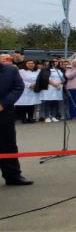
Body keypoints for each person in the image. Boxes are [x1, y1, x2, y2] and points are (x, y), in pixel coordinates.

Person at [0, 54, 32, 186]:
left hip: (4, 114)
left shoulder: (10, 70)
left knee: (8, 146)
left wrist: (3, 104)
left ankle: (13, 176)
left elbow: (18, 87)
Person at [14, 60, 40, 124]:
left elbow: (40, 79)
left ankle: (30, 118)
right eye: (29, 63)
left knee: (32, 104)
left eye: (32, 63)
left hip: (34, 89)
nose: (31, 64)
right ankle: (23, 118)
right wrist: (29, 85)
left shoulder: (38, 71)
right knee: (24, 105)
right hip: (25, 89)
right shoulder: (21, 71)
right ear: (25, 64)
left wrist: (36, 84)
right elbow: (19, 80)